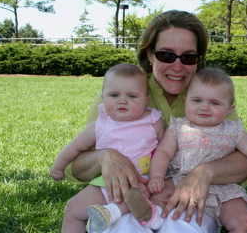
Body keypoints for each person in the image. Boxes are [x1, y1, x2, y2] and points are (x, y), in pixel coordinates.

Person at [64, 10, 247, 233]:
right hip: (129, 198)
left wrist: (205, 172)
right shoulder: (121, 95)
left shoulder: (209, 97)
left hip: (186, 201)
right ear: (150, 54)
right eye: (166, 55)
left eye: (189, 57)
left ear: (198, 60)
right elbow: (73, 169)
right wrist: (104, 157)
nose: (177, 66)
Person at [126, 68, 247, 232]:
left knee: (243, 220)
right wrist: (157, 176)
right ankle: (153, 216)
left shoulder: (234, 130)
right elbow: (163, 152)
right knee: (156, 196)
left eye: (214, 103)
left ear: (229, 109)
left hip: (223, 188)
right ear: (186, 100)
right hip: (179, 181)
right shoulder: (178, 126)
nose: (204, 107)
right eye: (197, 101)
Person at [50, 63, 165, 233]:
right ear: (103, 97)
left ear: (146, 100)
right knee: (72, 209)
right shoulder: (99, 126)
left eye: (132, 96)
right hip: (105, 183)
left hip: (141, 182)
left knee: (138, 195)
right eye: (114, 95)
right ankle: (134, 213)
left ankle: (140, 213)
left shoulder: (153, 121)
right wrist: (58, 167)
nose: (122, 100)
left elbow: (166, 150)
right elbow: (74, 148)